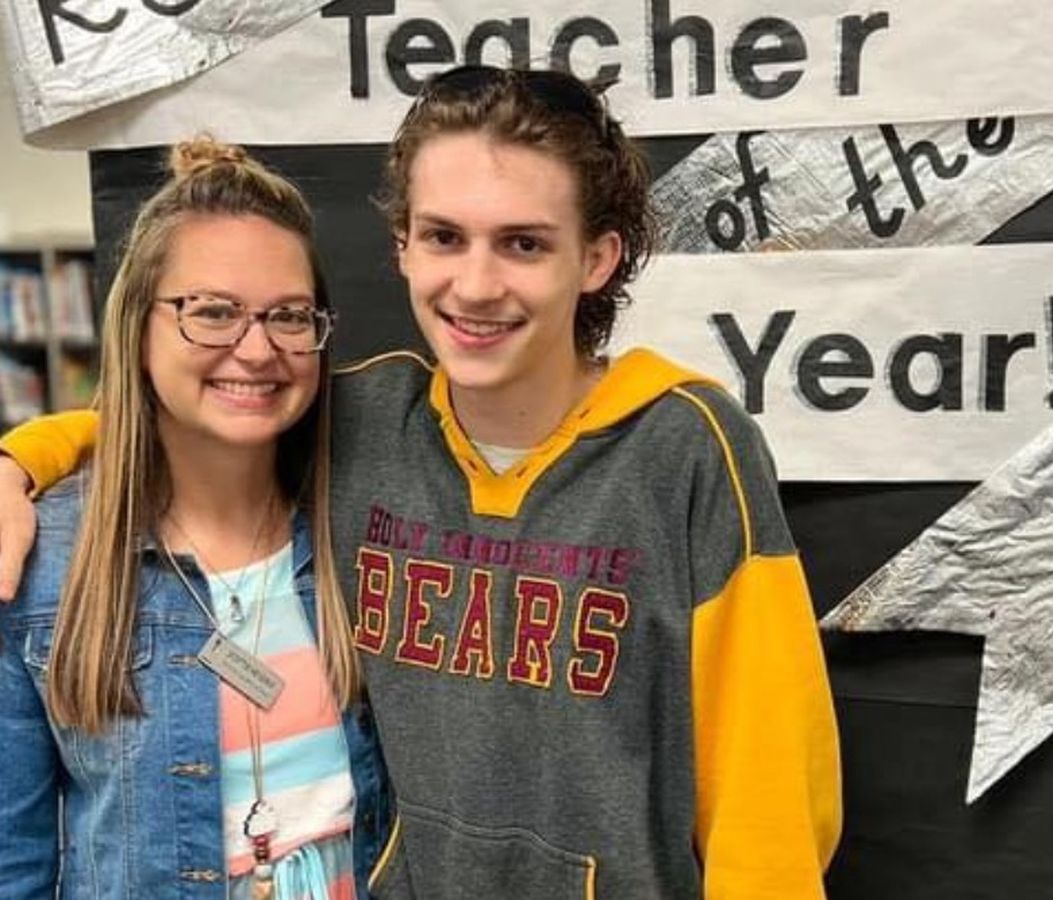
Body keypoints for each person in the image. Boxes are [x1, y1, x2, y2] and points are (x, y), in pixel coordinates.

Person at [0, 66, 840, 897]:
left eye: (524, 243)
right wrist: (22, 459)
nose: (475, 285)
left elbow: (769, 796)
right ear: (401, 245)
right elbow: (197, 412)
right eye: (444, 237)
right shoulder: (368, 423)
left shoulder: (686, 447)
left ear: (596, 258)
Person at [0, 138, 394, 898]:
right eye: (212, 312)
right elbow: (12, 862)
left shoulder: (366, 530)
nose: (258, 349)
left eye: (289, 315)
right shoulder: (43, 565)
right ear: (137, 328)